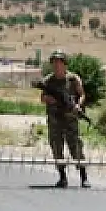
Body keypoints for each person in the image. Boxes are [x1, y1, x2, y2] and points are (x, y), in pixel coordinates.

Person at [39, 49, 89, 188]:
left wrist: (78, 105)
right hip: (55, 119)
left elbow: (82, 94)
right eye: (54, 62)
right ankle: (62, 177)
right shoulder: (48, 81)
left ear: (65, 64)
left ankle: (84, 177)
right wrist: (50, 100)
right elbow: (43, 98)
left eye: (59, 62)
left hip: (70, 119)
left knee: (76, 147)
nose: (56, 65)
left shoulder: (73, 79)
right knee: (56, 147)